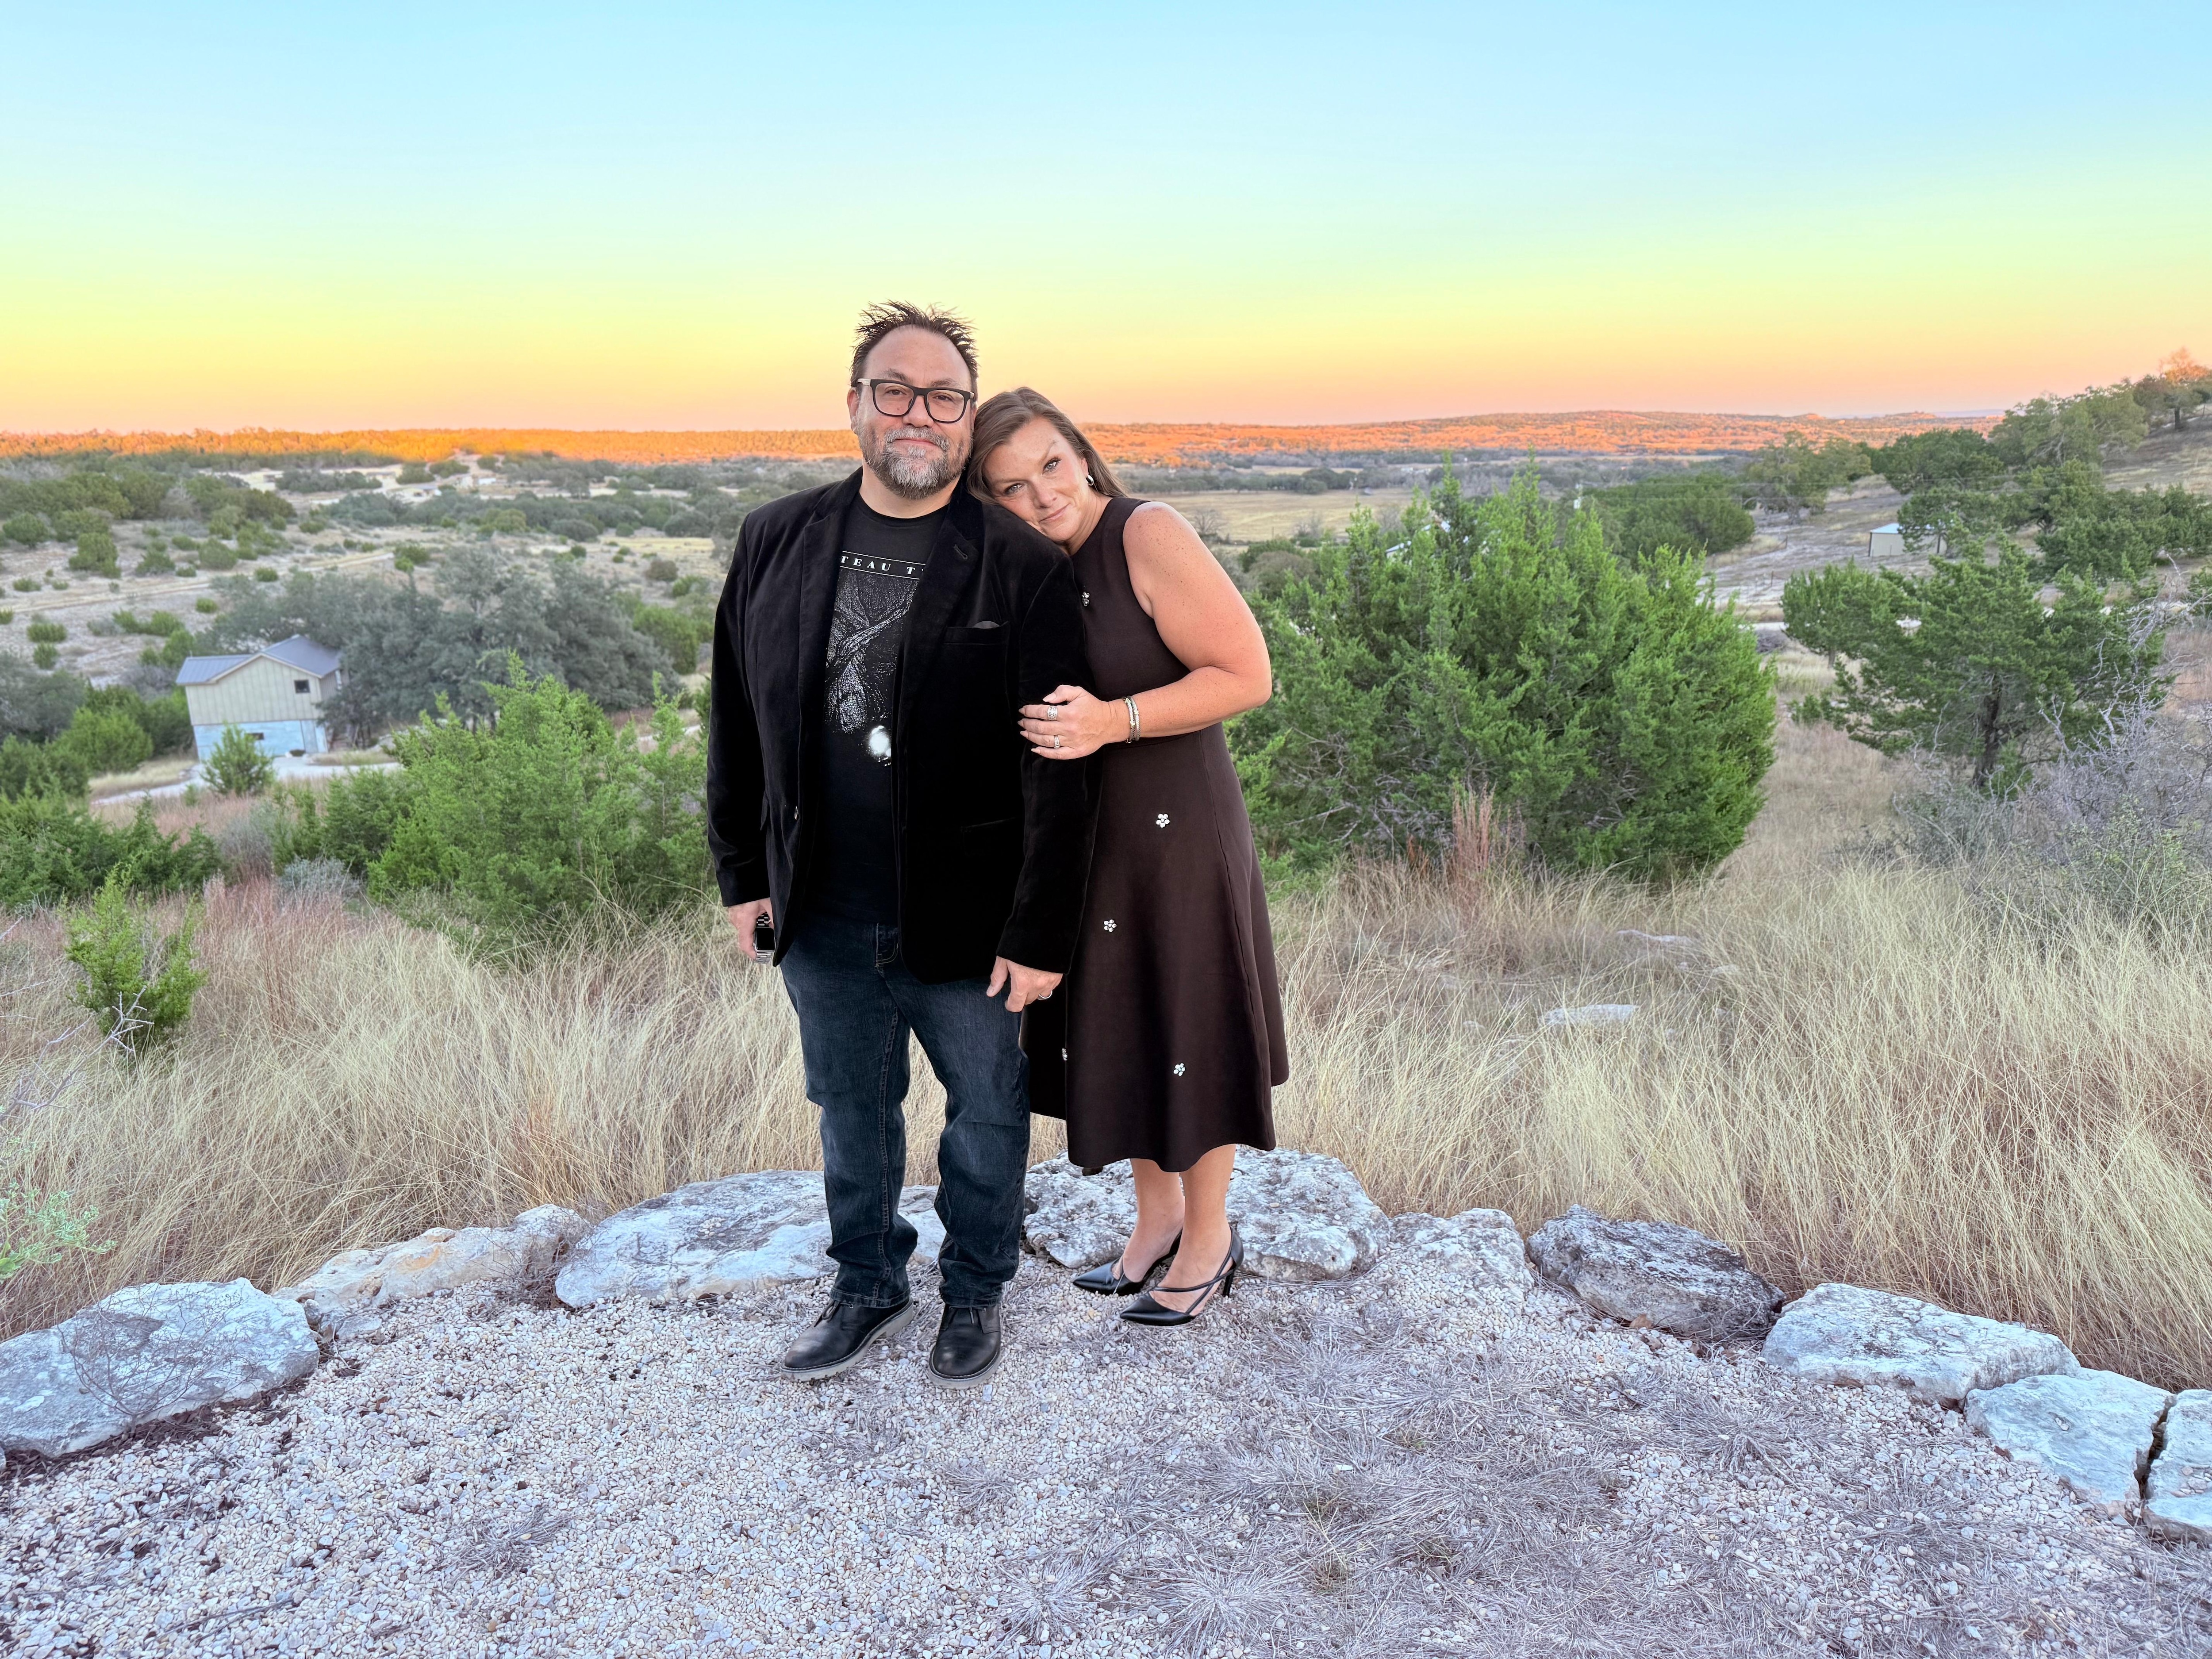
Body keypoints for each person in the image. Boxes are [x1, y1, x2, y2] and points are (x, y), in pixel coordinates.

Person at [707, 306, 1094, 1388]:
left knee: (987, 1113)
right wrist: (743, 874)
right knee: (851, 1109)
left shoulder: (1019, 564)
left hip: (971, 916)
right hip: (820, 902)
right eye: (895, 390)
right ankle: (867, 1286)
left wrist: (1041, 926)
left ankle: (974, 1293)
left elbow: (1062, 765)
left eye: (943, 397)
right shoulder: (776, 538)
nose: (917, 414)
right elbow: (736, 718)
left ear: (966, 421)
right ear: (855, 406)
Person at [969, 388, 1288, 1326]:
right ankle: (1151, 1227)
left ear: (1083, 454)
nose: (1042, 496)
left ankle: (1209, 1235)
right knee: (1130, 1026)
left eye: (1051, 467)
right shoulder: (1029, 572)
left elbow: (1247, 675)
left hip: (1176, 832)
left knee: (1190, 1024)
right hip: (1088, 837)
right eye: (1012, 487)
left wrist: (1114, 722)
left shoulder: (1145, 534)